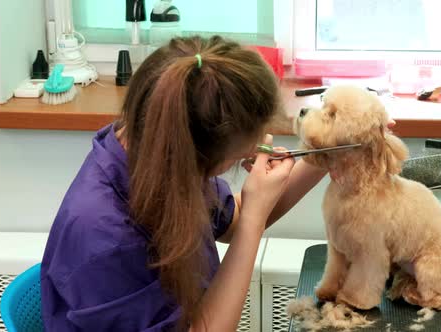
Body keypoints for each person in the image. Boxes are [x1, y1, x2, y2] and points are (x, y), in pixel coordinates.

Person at [40, 35, 328, 331]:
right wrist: (255, 219)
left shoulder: (160, 149)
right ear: (198, 158)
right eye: (238, 156)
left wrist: (323, 158)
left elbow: (232, 221)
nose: (254, 151)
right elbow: (246, 221)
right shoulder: (106, 241)